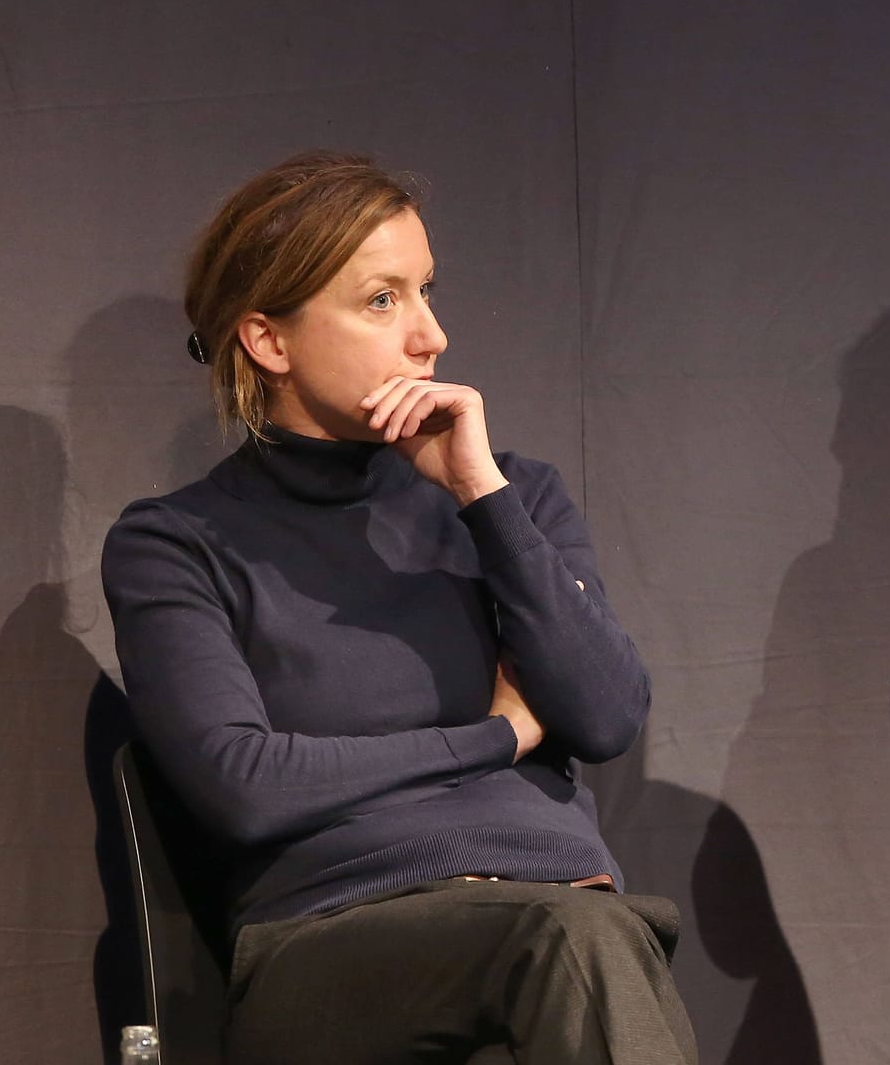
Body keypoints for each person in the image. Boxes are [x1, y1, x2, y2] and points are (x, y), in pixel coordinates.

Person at [103, 152, 696, 1064]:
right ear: (270, 341)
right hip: (332, 945)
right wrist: (497, 736)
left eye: (425, 292)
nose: (431, 336)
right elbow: (244, 786)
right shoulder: (179, 542)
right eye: (384, 300)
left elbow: (606, 714)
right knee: (580, 939)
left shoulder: (512, 501)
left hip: (555, 914)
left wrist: (481, 497)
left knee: (584, 935)